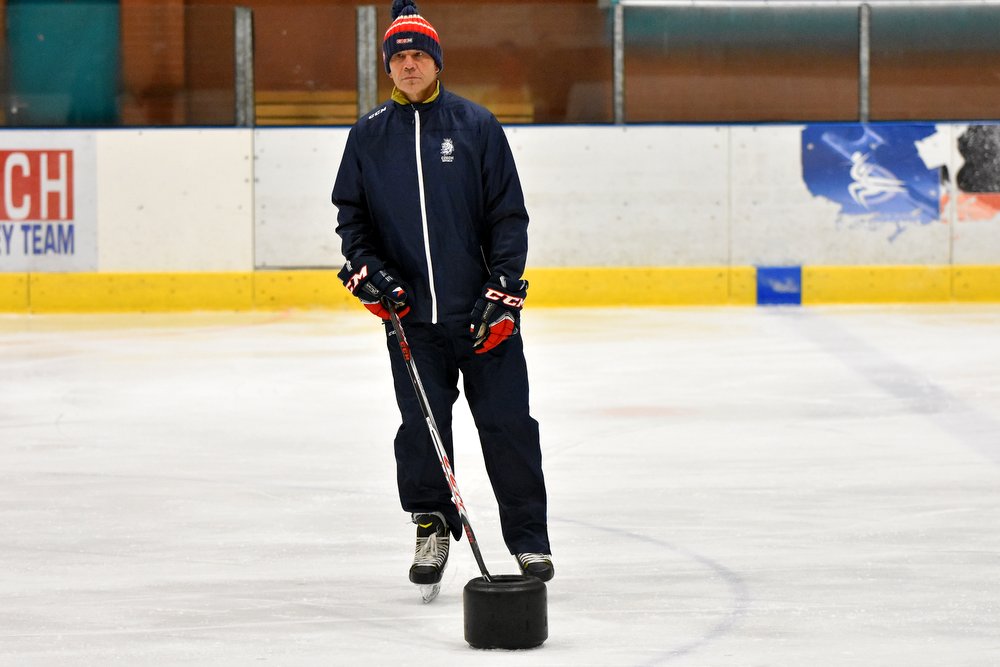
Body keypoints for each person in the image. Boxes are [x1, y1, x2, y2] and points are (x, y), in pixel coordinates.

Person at [331, 0, 554, 592]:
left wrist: (504, 288)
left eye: (418, 56)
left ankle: (529, 541)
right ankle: (431, 523)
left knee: (508, 426)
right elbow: (351, 223)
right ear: (388, 66)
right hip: (412, 322)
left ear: (436, 63)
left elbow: (509, 215)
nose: (409, 65)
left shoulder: (476, 126)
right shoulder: (368, 136)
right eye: (399, 57)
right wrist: (367, 273)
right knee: (421, 429)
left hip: (482, 316)